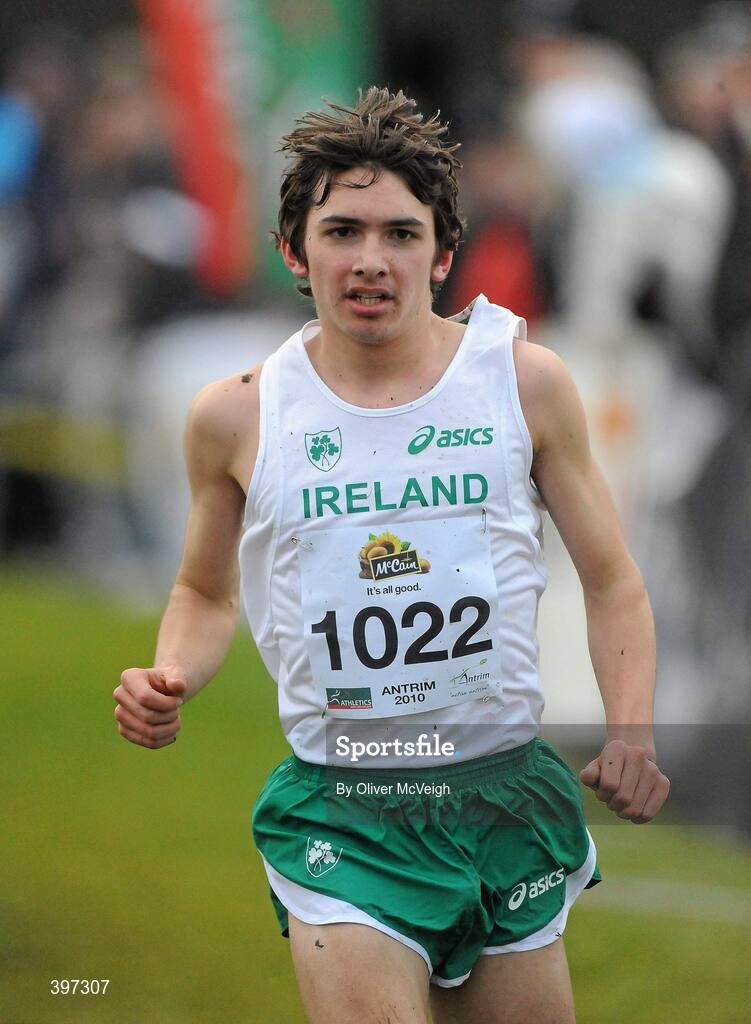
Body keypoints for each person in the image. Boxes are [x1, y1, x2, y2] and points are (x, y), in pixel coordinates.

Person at [114, 87, 670, 1024]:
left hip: (501, 797)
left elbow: (613, 579)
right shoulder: (237, 413)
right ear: (295, 250)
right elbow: (203, 593)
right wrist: (170, 673)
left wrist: (630, 730)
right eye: (342, 231)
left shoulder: (523, 383)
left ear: (441, 254)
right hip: (345, 809)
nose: (371, 260)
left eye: (400, 234)